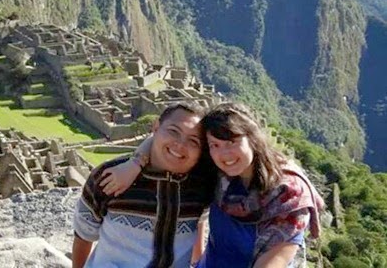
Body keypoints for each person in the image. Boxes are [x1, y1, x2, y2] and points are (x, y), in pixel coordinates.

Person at [101, 102, 324, 268]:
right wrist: (135, 163)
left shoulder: (289, 196)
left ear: (253, 139)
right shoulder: (220, 175)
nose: (224, 154)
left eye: (232, 142)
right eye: (214, 145)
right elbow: (166, 139)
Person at [72, 102, 216, 268]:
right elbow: (83, 234)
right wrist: (136, 161)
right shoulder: (110, 176)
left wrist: (196, 262)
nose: (181, 145)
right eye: (173, 131)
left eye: (193, 141)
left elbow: (199, 221)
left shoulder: (200, 184)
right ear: (155, 127)